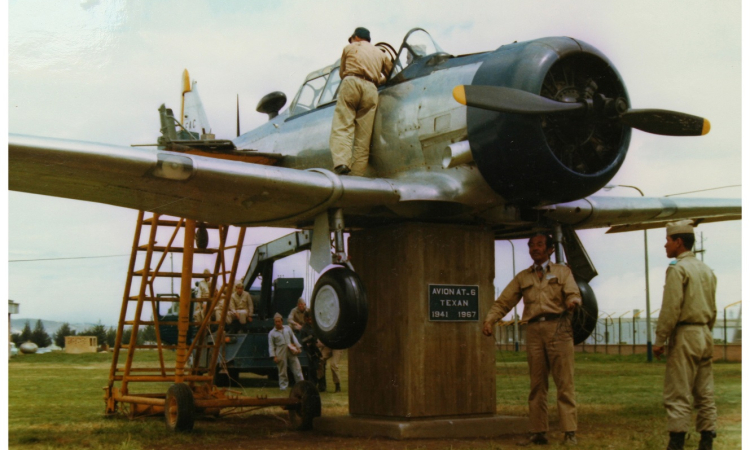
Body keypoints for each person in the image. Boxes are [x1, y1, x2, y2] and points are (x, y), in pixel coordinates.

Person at [482, 233, 582, 446]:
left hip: (559, 328)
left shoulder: (562, 272)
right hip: (534, 331)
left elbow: (573, 292)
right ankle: (538, 431)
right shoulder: (523, 277)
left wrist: (573, 301)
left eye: (539, 244)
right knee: (537, 383)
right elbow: (504, 301)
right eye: (531, 245)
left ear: (550, 249)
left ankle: (569, 431)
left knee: (564, 381)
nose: (534, 248)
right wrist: (490, 320)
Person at [653, 220, 717, 450]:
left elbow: (671, 308)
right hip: (704, 333)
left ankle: (677, 441)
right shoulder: (706, 270)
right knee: (705, 391)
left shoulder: (677, 269)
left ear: (678, 242)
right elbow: (713, 308)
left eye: (668, 240)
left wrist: (660, 340)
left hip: (685, 334)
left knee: (678, 391)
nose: (665, 245)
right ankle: (707, 439)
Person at [329, 27, 393, 176]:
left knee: (343, 125)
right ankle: (357, 176)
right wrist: (377, 79)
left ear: (356, 37)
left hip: (351, 82)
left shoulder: (349, 48)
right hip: (372, 88)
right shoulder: (380, 54)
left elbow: (342, 73)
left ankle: (341, 163)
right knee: (364, 136)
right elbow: (391, 74)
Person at [268, 313, 304, 390]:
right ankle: (283, 387)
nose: (277, 323)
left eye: (279, 321)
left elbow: (293, 338)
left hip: (290, 349)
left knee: (297, 368)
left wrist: (298, 347)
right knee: (282, 371)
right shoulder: (272, 333)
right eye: (276, 322)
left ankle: (301, 385)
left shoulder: (287, 328)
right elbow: (271, 345)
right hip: (280, 352)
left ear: (282, 321)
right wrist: (274, 356)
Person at [299, 310, 323, 389]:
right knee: (312, 369)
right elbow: (303, 341)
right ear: (306, 319)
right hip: (309, 350)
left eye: (311, 319)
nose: (310, 321)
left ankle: (322, 385)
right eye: (308, 319)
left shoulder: (315, 326)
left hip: (317, 349)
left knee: (320, 367)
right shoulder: (304, 329)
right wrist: (310, 338)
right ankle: (312, 385)